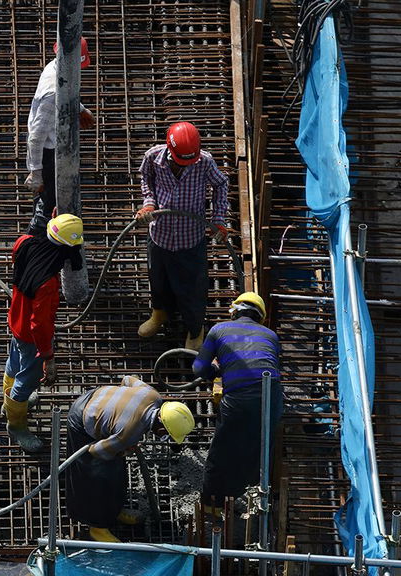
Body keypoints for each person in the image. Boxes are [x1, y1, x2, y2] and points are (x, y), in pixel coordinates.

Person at [135, 121, 231, 350]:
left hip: (191, 238)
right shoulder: (153, 157)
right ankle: (160, 314)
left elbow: (222, 184)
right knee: (159, 280)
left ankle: (195, 329)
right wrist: (149, 205)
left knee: (192, 288)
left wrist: (218, 219)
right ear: (170, 148)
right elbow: (145, 180)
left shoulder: (204, 161)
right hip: (160, 235)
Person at [65, 376, 195, 542]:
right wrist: (123, 448)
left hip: (97, 396)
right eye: (166, 436)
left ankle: (115, 510)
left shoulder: (153, 396)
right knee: (97, 475)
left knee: (116, 471)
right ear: (162, 427)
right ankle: (97, 527)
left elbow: (127, 380)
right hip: (82, 419)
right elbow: (96, 452)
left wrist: (119, 406)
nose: (165, 438)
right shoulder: (130, 432)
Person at [192, 292, 283, 512]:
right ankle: (251, 496)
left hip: (239, 398)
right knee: (259, 448)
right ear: (259, 316)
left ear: (234, 311)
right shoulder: (271, 335)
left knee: (223, 449)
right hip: (273, 396)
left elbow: (198, 368)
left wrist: (216, 368)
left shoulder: (218, 330)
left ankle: (211, 503)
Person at [4, 213, 85, 451]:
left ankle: (8, 403)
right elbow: (38, 325)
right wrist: (48, 357)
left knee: (14, 362)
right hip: (31, 337)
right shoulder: (47, 284)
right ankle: (16, 424)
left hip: (15, 319)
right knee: (27, 378)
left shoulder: (25, 241)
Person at [23, 36, 95, 235]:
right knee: (47, 211)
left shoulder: (56, 68)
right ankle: (37, 247)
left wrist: (79, 109)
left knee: (52, 208)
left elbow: (66, 94)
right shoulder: (52, 91)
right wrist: (36, 172)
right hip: (47, 157)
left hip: (55, 149)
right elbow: (36, 137)